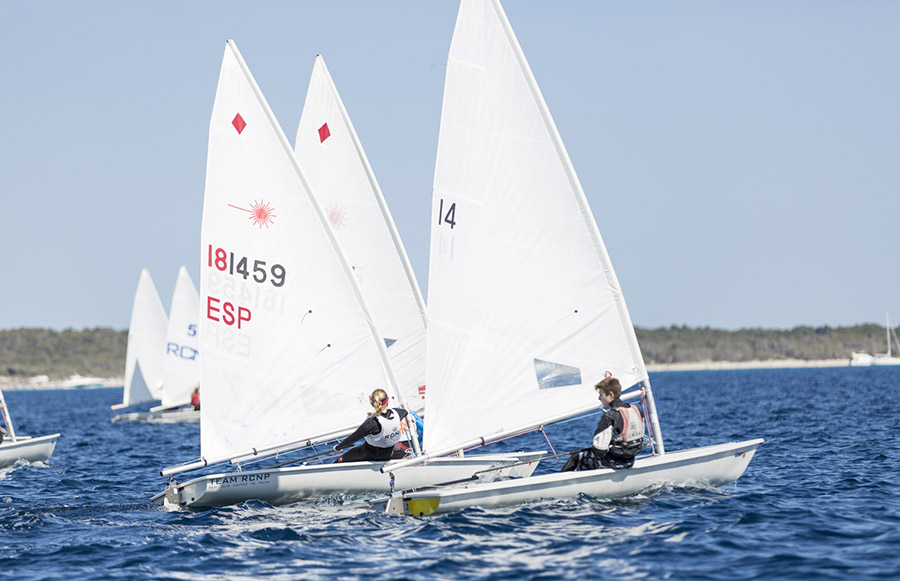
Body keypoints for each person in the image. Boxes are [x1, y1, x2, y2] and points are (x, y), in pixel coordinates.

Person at [561, 376, 645, 472]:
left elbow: (599, 450)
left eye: (601, 395)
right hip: (630, 461)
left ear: (611, 394)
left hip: (614, 463)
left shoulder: (609, 416)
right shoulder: (636, 410)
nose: (599, 398)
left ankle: (561, 480)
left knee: (576, 457)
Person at [333, 389, 410, 463]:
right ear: (388, 401)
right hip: (389, 452)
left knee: (340, 460)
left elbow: (350, 440)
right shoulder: (398, 413)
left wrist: (338, 448)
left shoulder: (371, 423)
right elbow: (405, 412)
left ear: (371, 403)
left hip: (372, 454)